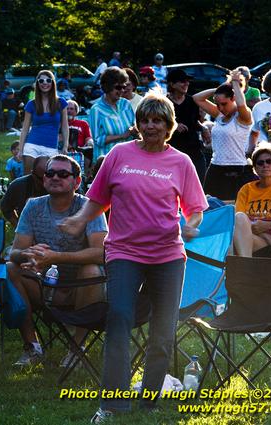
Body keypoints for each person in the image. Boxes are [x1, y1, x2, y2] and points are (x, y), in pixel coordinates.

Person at [59, 93, 207, 421]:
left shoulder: (180, 162)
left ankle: (150, 399)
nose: (151, 126)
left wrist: (191, 226)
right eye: (145, 120)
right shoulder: (119, 154)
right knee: (120, 318)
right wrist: (80, 219)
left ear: (168, 126)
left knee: (164, 329)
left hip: (168, 255)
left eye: (157, 121)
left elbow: (195, 209)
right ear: (138, 124)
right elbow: (98, 198)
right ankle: (113, 403)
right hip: (124, 251)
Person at [7, 154, 107, 366]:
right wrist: (29, 254)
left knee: (91, 269)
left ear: (77, 181)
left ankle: (76, 348)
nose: (55, 178)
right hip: (44, 285)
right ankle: (32, 346)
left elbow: (101, 253)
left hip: (82, 288)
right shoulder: (33, 206)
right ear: (43, 180)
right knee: (11, 268)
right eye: (50, 173)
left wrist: (56, 257)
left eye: (63, 174)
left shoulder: (89, 207)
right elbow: (14, 253)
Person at [192, 70, 253, 200]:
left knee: (233, 207)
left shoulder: (243, 117)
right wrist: (219, 89)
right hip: (215, 167)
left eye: (224, 104)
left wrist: (235, 83)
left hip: (236, 169)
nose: (220, 108)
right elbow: (197, 98)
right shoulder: (219, 115)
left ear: (233, 98)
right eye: (217, 104)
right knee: (210, 206)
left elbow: (241, 103)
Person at [19, 70, 69, 174]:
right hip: (32, 146)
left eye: (48, 80)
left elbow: (65, 126)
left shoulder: (61, 103)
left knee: (48, 180)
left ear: (53, 82)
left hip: (51, 147)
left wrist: (65, 145)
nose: (45, 83)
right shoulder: (31, 104)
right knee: (29, 177)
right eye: (41, 80)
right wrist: (20, 149)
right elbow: (25, 129)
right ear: (37, 83)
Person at [167, 68, 207, 181]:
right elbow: (159, 123)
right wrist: (174, 125)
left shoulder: (192, 101)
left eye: (187, 81)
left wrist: (203, 128)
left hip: (194, 153)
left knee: (198, 190)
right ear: (172, 84)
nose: (186, 83)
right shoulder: (164, 103)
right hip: (173, 155)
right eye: (182, 81)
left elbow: (195, 122)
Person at [89, 67, 136, 161]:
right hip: (106, 160)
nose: (122, 90)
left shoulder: (126, 104)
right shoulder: (96, 109)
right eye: (118, 87)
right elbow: (98, 140)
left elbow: (133, 125)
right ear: (107, 87)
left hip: (127, 158)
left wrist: (135, 130)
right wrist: (122, 136)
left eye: (124, 87)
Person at [0, 156, 48, 228]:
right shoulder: (18, 186)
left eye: (50, 176)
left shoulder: (62, 186)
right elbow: (6, 207)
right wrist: (20, 227)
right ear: (33, 174)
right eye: (42, 179)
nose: (47, 182)